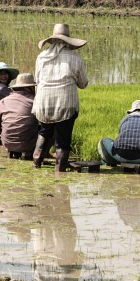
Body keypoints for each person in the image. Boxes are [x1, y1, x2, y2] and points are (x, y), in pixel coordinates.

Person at [32, 23, 88, 172]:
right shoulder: (75, 58)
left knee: (44, 131)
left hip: (43, 102)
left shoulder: (41, 57)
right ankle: (59, 171)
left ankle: (36, 162)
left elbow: (37, 80)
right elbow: (83, 84)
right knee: (63, 139)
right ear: (68, 41)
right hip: (66, 104)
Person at [0, 73, 38, 159]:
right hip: (28, 144)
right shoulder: (35, 101)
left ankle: (14, 151)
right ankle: (42, 153)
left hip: (7, 143)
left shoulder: (3, 101)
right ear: (30, 88)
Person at [98, 99, 140, 168]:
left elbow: (121, 134)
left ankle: (111, 162)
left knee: (103, 141)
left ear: (133, 110)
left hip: (120, 155)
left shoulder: (125, 118)